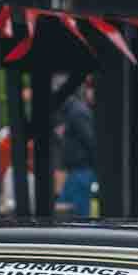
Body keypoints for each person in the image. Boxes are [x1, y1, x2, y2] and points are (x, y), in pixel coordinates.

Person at [57, 76, 96, 218]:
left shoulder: (76, 113)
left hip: (80, 170)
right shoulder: (74, 112)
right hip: (75, 171)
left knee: (77, 213)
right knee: (67, 209)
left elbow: (90, 141)